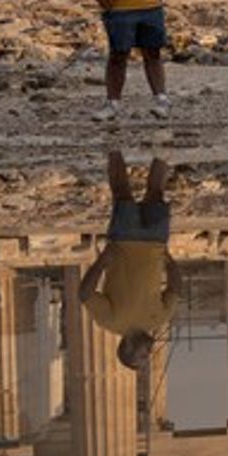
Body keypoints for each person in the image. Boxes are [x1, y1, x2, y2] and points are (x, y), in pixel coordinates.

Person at [80, 150, 182, 375]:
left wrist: (102, 261)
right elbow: (175, 290)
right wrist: (170, 261)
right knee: (156, 193)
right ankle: (162, 147)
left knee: (122, 194)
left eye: (143, 354)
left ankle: (113, 147)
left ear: (127, 348)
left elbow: (85, 294)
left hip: (123, 241)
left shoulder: (110, 321)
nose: (149, 351)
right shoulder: (158, 320)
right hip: (156, 244)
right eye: (147, 356)